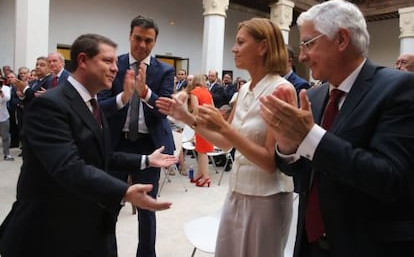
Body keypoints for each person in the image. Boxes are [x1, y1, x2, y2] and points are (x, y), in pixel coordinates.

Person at [260, 0, 414, 257]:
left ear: (342, 39)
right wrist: (287, 146)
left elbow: (389, 177)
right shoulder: (317, 96)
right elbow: (301, 170)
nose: (302, 56)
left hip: (366, 245)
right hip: (311, 244)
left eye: (309, 43)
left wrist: (309, 136)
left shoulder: (398, 88)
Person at [0, 33, 177, 257]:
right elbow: (68, 166)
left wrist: (146, 160)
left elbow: (102, 156)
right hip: (49, 232)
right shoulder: (50, 105)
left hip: (86, 226)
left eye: (115, 62)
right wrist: (123, 191)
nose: (115, 68)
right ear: (83, 60)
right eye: (108, 61)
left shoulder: (93, 104)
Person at [157, 18, 296, 257]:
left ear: (262, 47)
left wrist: (224, 127)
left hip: (267, 198)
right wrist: (187, 117)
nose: (234, 48)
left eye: (241, 42)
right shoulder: (245, 89)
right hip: (237, 192)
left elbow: (269, 162)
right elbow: (224, 142)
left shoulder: (280, 90)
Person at [98, 15, 175, 257]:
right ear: (130, 36)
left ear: (155, 42)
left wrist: (145, 93)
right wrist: (123, 97)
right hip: (116, 143)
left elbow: (163, 110)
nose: (142, 45)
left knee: (147, 209)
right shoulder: (114, 65)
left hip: (149, 147)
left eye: (148, 40)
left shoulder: (165, 70)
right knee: (108, 205)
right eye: (138, 39)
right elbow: (100, 106)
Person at [185, 73, 214, 187]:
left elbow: (195, 110)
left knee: (202, 152)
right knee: (201, 150)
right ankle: (199, 175)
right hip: (208, 122)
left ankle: (206, 177)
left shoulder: (194, 93)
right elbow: (213, 107)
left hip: (200, 123)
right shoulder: (207, 92)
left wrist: (193, 124)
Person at [0, 77, 13, 161]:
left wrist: (1, 92)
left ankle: (7, 154)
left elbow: (7, 98)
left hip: (3, 116)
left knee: (5, 137)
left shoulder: (6, 88)